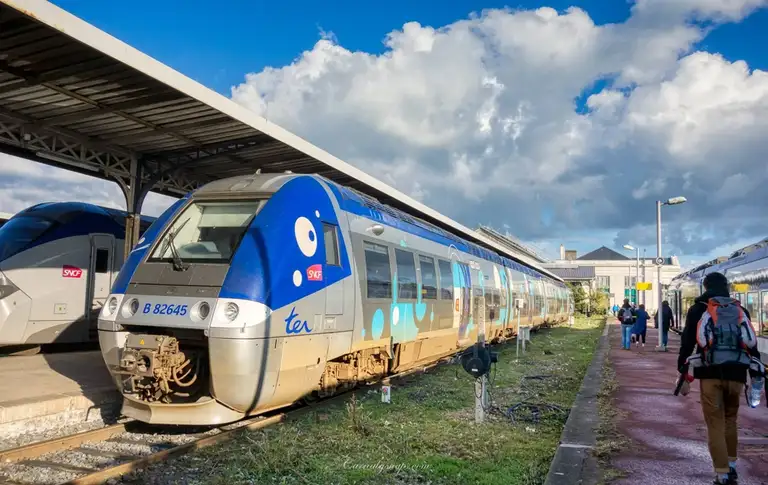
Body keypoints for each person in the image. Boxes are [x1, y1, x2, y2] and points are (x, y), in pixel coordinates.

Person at [677, 272, 760, 485]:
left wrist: (682, 369)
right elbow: (752, 345)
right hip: (737, 374)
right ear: (726, 287)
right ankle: (731, 466)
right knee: (731, 419)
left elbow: (687, 341)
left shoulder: (698, 309)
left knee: (714, 422)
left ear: (705, 286)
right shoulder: (740, 309)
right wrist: (755, 372)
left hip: (710, 372)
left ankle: (722, 474)